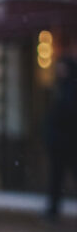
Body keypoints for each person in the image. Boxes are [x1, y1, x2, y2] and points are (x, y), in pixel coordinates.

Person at [45, 56, 77, 221]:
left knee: (59, 177)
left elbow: (67, 114)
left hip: (69, 142)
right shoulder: (60, 88)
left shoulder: (69, 89)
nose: (59, 71)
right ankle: (52, 211)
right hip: (60, 142)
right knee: (56, 179)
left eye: (62, 68)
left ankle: (52, 210)